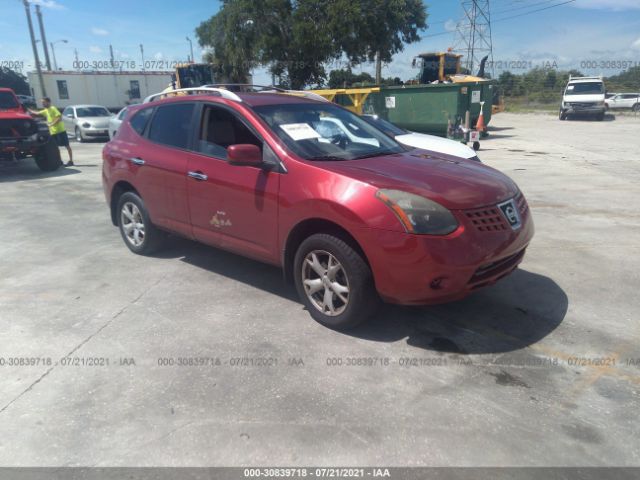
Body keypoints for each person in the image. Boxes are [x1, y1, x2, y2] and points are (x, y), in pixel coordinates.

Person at [29, 97, 73, 167]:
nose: (42, 104)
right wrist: (30, 111)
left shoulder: (53, 108)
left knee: (67, 146)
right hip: (53, 132)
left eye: (44, 102)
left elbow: (59, 117)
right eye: (42, 103)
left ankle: (71, 161)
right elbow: (37, 113)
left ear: (48, 102)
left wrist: (52, 124)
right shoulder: (46, 110)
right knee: (55, 148)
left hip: (60, 131)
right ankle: (60, 161)